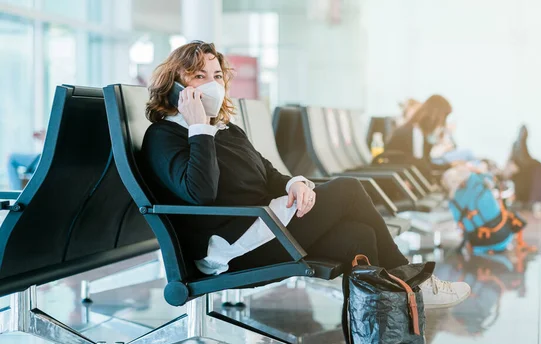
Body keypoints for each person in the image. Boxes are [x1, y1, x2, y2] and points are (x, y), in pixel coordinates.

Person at [141, 41, 470, 309]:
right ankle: (418, 284)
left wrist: (293, 182)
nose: (212, 85)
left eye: (216, 75)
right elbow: (200, 193)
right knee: (348, 190)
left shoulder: (226, 130)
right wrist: (198, 126)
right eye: (199, 76)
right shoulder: (164, 136)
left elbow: (266, 172)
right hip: (233, 247)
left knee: (358, 237)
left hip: (266, 227)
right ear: (176, 85)